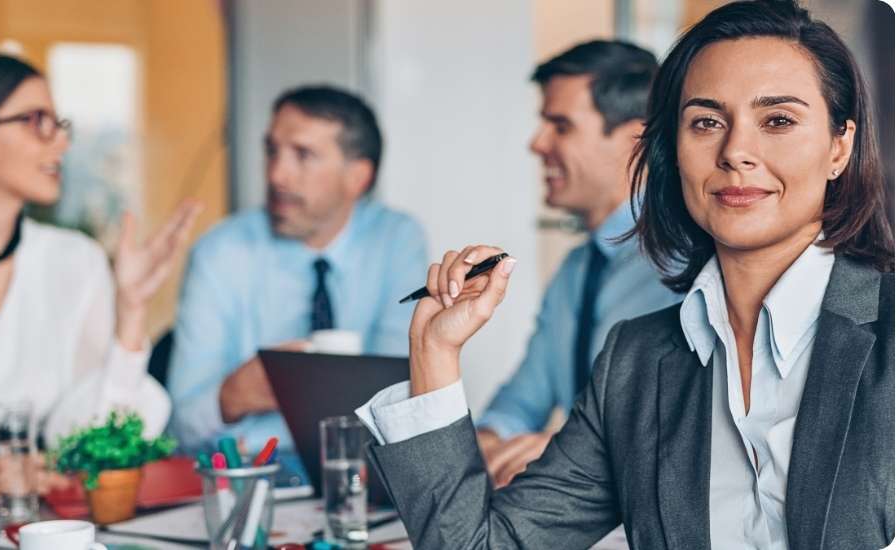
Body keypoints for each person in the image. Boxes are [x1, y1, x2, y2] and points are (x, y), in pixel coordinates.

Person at [355, 1, 894, 548]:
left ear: (839, 146)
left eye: (778, 120)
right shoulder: (635, 362)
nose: (736, 151)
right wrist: (434, 352)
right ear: (671, 150)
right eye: (706, 122)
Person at [0, 55, 201, 501]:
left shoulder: (74, 260)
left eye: (59, 124)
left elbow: (96, 438)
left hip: (37, 509)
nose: (60, 143)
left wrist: (130, 316)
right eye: (36, 122)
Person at [167, 85, 427, 454]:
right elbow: (180, 426)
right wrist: (232, 397)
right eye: (272, 151)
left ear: (357, 178)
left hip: (364, 468)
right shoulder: (220, 251)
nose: (277, 175)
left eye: (303, 155)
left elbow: (404, 394)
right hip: (254, 467)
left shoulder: (396, 239)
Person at [476, 40, 682, 487]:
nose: (537, 143)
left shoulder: (686, 262)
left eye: (560, 126)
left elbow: (681, 429)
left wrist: (566, 452)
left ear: (635, 139)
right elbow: (521, 403)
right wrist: (487, 445)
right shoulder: (575, 270)